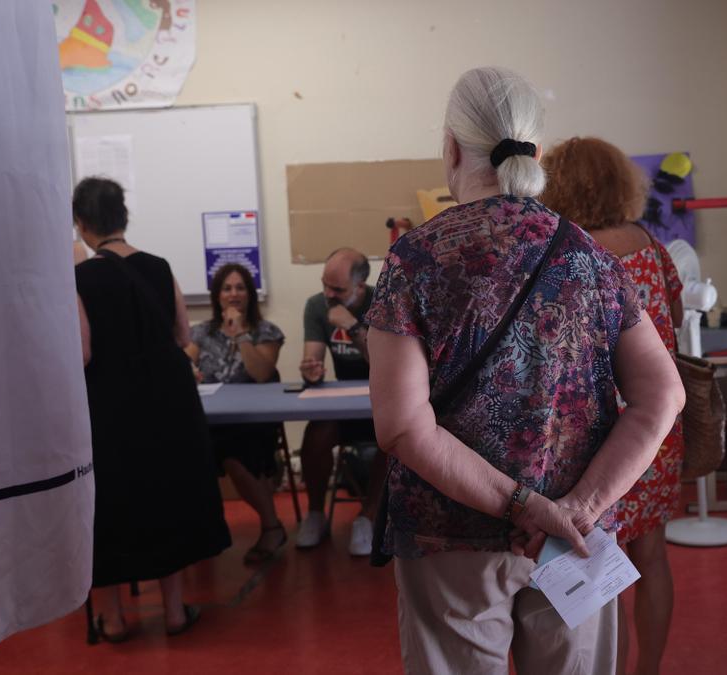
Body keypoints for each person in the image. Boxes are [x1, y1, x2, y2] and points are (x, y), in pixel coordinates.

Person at [365, 66, 685, 675]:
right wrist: (576, 508)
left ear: (452, 148)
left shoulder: (416, 257)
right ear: (536, 151)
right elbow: (664, 395)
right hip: (575, 539)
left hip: (450, 537)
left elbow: (403, 426)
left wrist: (522, 506)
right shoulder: (590, 254)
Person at [542, 136, 684, 675]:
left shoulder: (566, 253)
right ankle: (648, 668)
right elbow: (672, 325)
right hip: (656, 425)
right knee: (652, 557)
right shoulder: (651, 247)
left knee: (599, 562)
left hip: (593, 431)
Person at [73, 177, 230, 640]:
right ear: (123, 217)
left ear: (81, 222)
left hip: (111, 406)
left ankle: (114, 618)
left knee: (112, 507)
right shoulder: (160, 268)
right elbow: (183, 335)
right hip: (168, 403)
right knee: (166, 498)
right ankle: (176, 611)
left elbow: (82, 352)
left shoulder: (79, 278)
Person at [186, 263, 287, 565]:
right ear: (217, 295)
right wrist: (189, 370)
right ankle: (199, 532)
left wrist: (241, 334)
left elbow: (260, 373)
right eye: (227, 288)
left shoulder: (267, 332)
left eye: (240, 287)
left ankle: (272, 527)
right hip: (211, 419)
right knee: (184, 448)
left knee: (234, 451)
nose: (233, 294)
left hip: (253, 421)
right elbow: (184, 364)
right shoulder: (200, 332)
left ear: (250, 294)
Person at [295, 247, 387, 556]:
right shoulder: (316, 306)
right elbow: (313, 358)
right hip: (343, 406)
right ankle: (316, 513)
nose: (328, 294)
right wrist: (311, 369)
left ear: (360, 286)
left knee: (395, 441)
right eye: (325, 284)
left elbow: (386, 366)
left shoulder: (383, 302)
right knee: (315, 437)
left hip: (384, 404)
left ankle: (368, 516)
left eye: (337, 288)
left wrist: (352, 326)